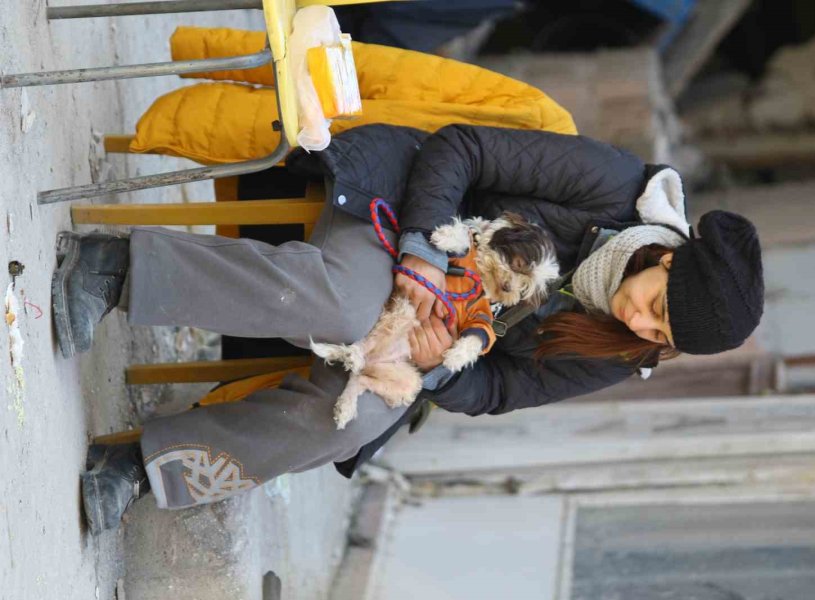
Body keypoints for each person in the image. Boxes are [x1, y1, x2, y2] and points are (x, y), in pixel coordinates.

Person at [53, 124, 764, 534]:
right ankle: (115, 271)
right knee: (342, 308)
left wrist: (435, 366)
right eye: (658, 303)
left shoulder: (624, 351)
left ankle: (138, 468)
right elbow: (461, 151)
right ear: (669, 258)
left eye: (658, 334)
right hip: (402, 217)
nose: (639, 321)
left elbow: (500, 389)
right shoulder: (612, 183)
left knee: (349, 424)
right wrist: (424, 251)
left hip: (432, 334)